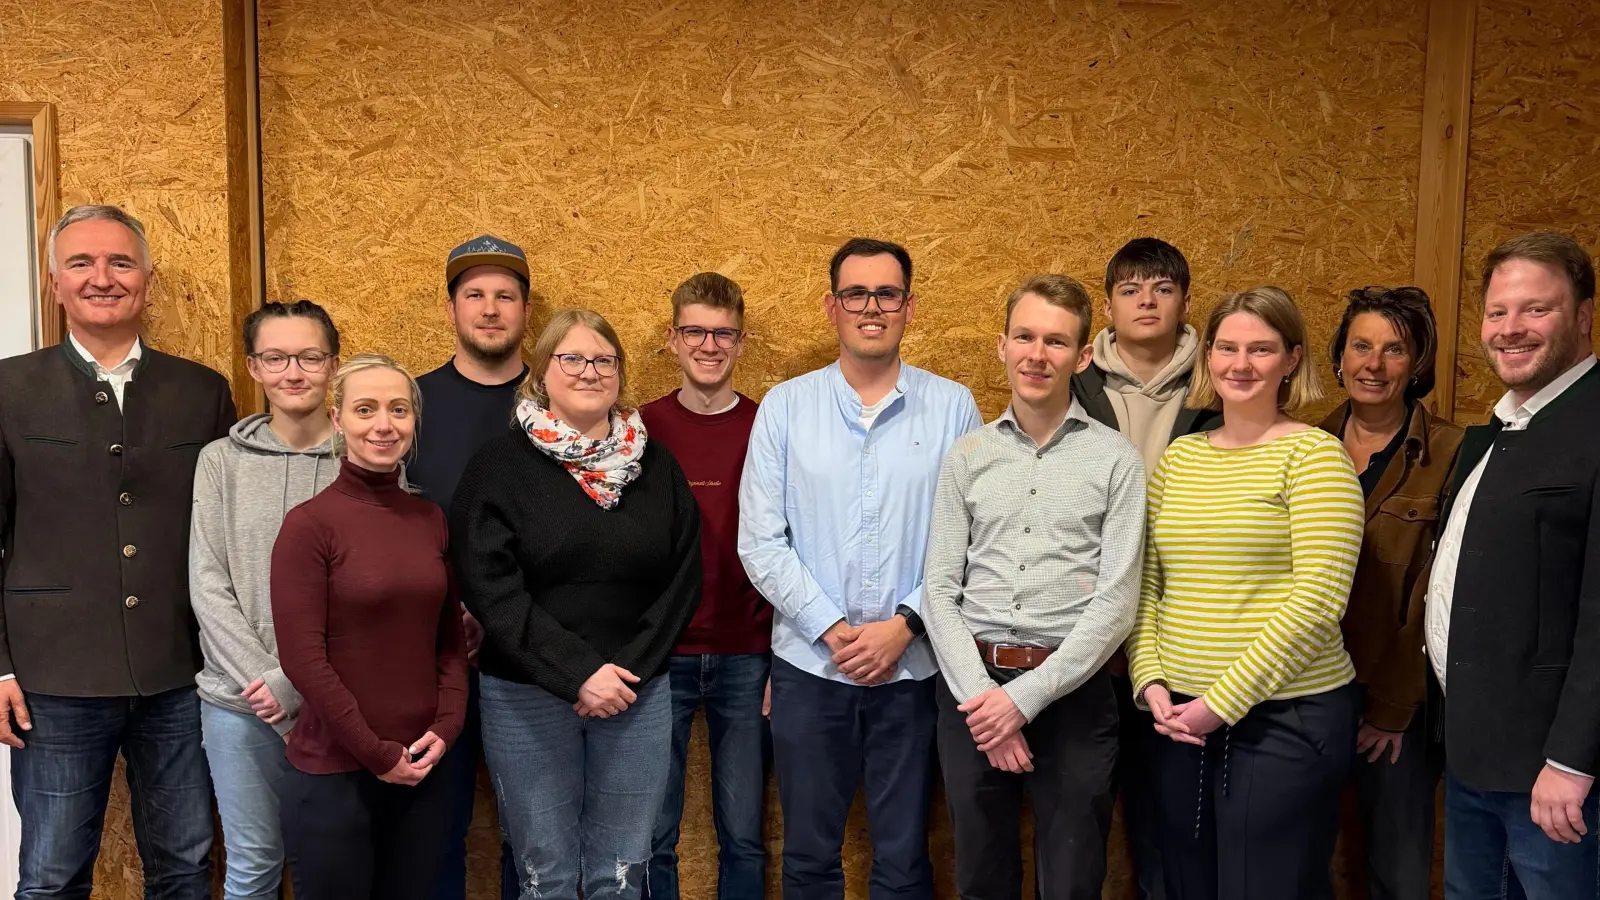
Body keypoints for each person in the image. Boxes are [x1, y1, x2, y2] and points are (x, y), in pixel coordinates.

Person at [0, 204, 235, 899]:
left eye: (120, 262)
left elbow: (221, 533)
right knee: (50, 874)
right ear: (54, 283)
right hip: (51, 678)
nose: (102, 278)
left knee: (187, 866)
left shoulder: (202, 390)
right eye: (81, 262)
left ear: (148, 282)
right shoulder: (8, 390)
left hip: (181, 674)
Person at [739, 237, 983, 900]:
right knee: (811, 859)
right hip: (811, 671)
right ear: (831, 306)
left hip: (913, 672)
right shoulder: (785, 408)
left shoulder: (954, 407)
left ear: (908, 306)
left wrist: (904, 625)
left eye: (887, 294)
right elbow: (761, 542)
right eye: (856, 293)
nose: (871, 307)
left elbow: (967, 541)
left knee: (904, 862)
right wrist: (832, 628)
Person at [452, 308, 703, 900]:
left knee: (623, 869)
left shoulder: (656, 467)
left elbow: (683, 580)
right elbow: (490, 587)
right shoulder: (498, 467)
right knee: (545, 870)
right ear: (541, 371)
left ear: (619, 371)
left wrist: (622, 673)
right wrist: (578, 673)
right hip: (526, 694)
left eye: (604, 360)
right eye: (573, 358)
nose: (590, 371)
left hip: (634, 694)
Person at [1128, 286, 1365, 900]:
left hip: (1285, 718)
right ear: (1208, 356)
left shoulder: (1315, 456)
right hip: (1177, 719)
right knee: (1188, 883)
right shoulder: (1180, 458)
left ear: (1291, 359)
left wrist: (1220, 704)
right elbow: (1148, 582)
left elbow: (1317, 603)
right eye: (1227, 348)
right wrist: (1150, 680)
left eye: (1260, 349)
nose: (1241, 364)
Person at [924, 274, 1146, 900]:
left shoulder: (1115, 459)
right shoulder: (967, 455)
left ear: (1082, 356)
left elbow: (1117, 602)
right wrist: (984, 703)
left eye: (1055, 341)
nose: (1036, 354)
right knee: (981, 879)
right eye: (1024, 336)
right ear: (1002, 346)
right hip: (973, 693)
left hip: (1075, 696)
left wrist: (1023, 700)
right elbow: (939, 589)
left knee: (1073, 881)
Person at [1429, 232, 1600, 900]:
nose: (1510, 329)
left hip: (1554, 780)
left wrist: (1570, 762)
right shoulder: (1500, 428)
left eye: (1536, 309)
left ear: (1584, 314)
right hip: (1475, 757)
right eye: (1498, 313)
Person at [271, 353, 468, 900]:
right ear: (338, 420)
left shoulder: (429, 520)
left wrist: (447, 727)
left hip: (423, 768)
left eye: (398, 410)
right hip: (337, 775)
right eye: (365, 409)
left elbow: (449, 643)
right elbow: (303, 660)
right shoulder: (309, 525)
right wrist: (376, 754)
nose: (384, 424)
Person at [1071, 237, 1221, 900]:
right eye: (1131, 290)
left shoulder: (1220, 382)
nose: (1147, 301)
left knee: (1180, 829)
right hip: (1090, 641)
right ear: (1108, 306)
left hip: (1184, 635)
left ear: (1186, 301)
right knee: (1084, 820)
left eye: (1162, 288)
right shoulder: (1074, 380)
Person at [191, 299, 341, 900]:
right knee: (252, 868)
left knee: (332, 870)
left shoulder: (369, 458)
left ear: (333, 362)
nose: (293, 372)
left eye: (309, 356)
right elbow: (208, 582)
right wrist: (268, 681)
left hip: (339, 705)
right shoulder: (219, 463)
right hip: (238, 705)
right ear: (253, 367)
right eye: (275, 358)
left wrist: (305, 682)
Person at [1315, 287, 1461, 900]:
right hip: (1308, 694)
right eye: (1361, 347)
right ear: (1340, 357)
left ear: (1416, 362)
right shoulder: (1302, 444)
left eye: (1393, 349)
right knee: (1297, 862)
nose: (1373, 365)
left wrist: (1394, 708)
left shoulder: (1453, 452)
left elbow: (1440, 589)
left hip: (1399, 704)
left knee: (1397, 872)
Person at [409, 235, 534, 900]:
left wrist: (508, 618)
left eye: (505, 296)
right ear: (453, 307)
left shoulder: (555, 404)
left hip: (531, 655)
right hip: (434, 655)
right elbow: (391, 525)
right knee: (436, 830)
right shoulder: (411, 405)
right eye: (475, 295)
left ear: (525, 309)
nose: (490, 309)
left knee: (530, 834)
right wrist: (444, 611)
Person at [641, 273, 771, 900]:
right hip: (659, 658)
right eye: (695, 331)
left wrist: (781, 657)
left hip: (748, 654)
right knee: (653, 832)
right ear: (672, 339)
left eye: (723, 334)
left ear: (740, 342)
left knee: (743, 832)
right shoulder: (639, 430)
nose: (709, 345)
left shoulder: (769, 425)